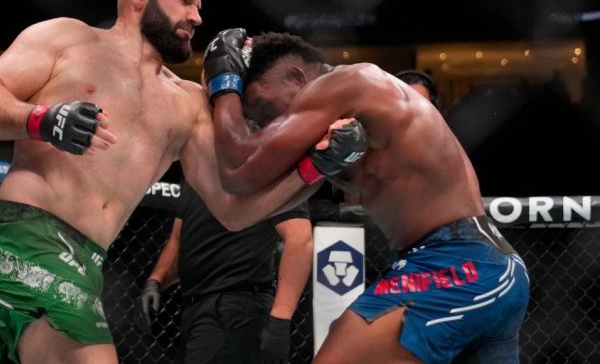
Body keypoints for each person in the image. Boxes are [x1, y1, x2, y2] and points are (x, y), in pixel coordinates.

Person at [0, 0, 358, 364]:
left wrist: (313, 169)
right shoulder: (66, 39)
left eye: (198, 6)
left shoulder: (189, 103)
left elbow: (235, 211)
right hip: (24, 240)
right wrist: (42, 119)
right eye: (184, 0)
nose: (196, 17)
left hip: (88, 264)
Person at [201, 29, 530, 363]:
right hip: (478, 266)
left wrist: (224, 84)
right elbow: (257, 202)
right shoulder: (345, 125)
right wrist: (315, 167)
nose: (264, 123)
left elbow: (239, 169)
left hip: (457, 265)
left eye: (262, 107)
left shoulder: (344, 82)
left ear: (296, 77)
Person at [133, 178, 312, 364]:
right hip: (196, 310)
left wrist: (280, 320)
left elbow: (300, 239)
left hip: (235, 310)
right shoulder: (195, 172)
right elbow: (179, 239)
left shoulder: (268, 169)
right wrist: (156, 281)